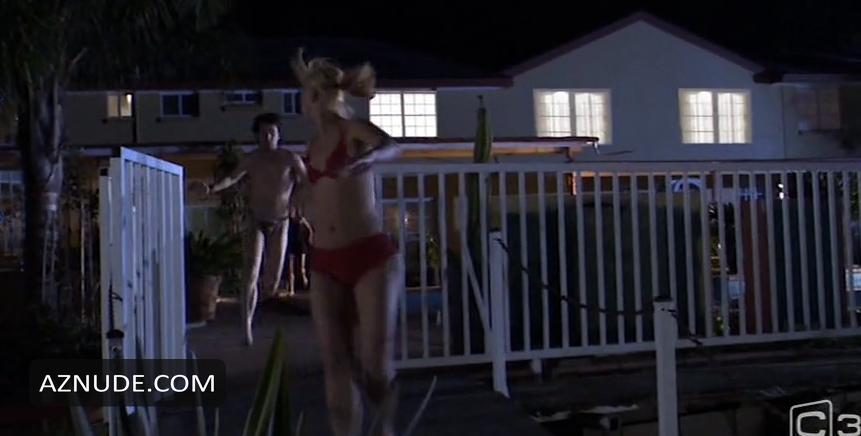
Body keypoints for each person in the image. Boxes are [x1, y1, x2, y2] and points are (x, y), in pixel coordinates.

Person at [292, 49, 404, 436]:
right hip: (326, 261)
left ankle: (385, 427)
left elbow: (390, 145)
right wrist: (299, 201)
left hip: (370, 256)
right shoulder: (311, 148)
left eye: (304, 94)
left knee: (374, 364)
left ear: (316, 96)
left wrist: (365, 160)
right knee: (335, 362)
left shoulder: (350, 129)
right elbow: (318, 193)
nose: (302, 102)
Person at [199, 112, 305, 346]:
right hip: (256, 220)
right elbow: (232, 178)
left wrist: (298, 200)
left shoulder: (290, 159)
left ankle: (264, 297)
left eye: (271, 133)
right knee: (251, 271)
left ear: (278, 135)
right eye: (263, 133)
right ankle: (246, 327)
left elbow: (306, 182)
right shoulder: (252, 159)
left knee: (272, 280)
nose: (267, 137)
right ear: (257, 136)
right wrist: (213, 187)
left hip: (281, 221)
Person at [285, 208, 312, 295]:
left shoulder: (302, 221)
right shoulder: (290, 221)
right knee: (291, 270)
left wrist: (309, 239)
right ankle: (291, 289)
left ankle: (306, 285)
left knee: (302, 269)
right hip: (293, 245)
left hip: (301, 246)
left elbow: (310, 230)